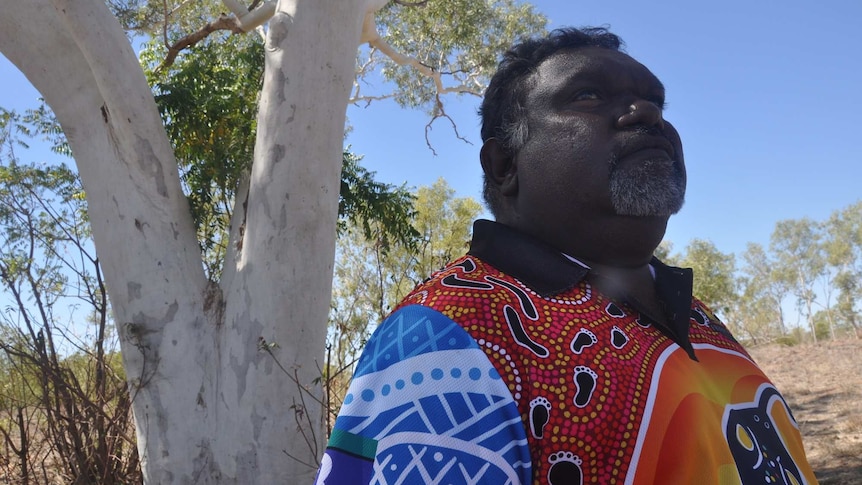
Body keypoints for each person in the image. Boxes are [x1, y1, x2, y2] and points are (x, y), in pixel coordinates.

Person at [314, 27, 816, 485]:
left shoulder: (698, 314)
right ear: (505, 164)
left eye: (654, 101)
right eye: (588, 95)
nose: (647, 114)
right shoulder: (448, 335)